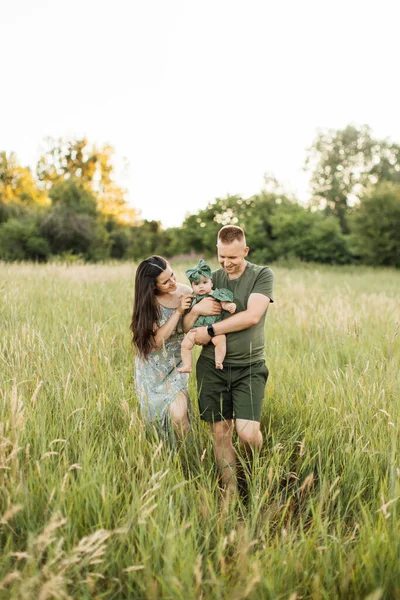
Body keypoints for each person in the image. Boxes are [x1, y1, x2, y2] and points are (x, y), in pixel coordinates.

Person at [183, 226, 274, 491]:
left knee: (247, 433)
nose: (227, 263)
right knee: (220, 434)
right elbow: (187, 326)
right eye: (222, 257)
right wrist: (197, 310)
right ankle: (231, 493)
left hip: (249, 367)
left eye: (233, 257)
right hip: (212, 367)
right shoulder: (209, 280)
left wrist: (211, 330)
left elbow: (252, 316)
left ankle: (254, 473)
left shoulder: (261, 274)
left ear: (245, 251)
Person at [130, 255, 220, 438]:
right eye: (165, 282)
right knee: (156, 418)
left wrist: (195, 311)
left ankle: (188, 456)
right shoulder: (149, 304)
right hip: (151, 371)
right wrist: (178, 311)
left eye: (172, 275)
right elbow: (156, 342)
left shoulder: (185, 291)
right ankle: (164, 454)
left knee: (178, 415)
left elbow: (187, 327)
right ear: (153, 286)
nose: (172, 282)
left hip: (176, 365)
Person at [177, 259, 236, 373]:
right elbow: (187, 313)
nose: (201, 287)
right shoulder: (192, 298)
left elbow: (222, 302)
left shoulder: (215, 294)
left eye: (205, 283)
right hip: (196, 330)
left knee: (220, 341)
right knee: (185, 345)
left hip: (215, 328)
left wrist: (228, 305)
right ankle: (187, 365)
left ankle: (218, 361)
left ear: (211, 283)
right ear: (192, 286)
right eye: (196, 284)